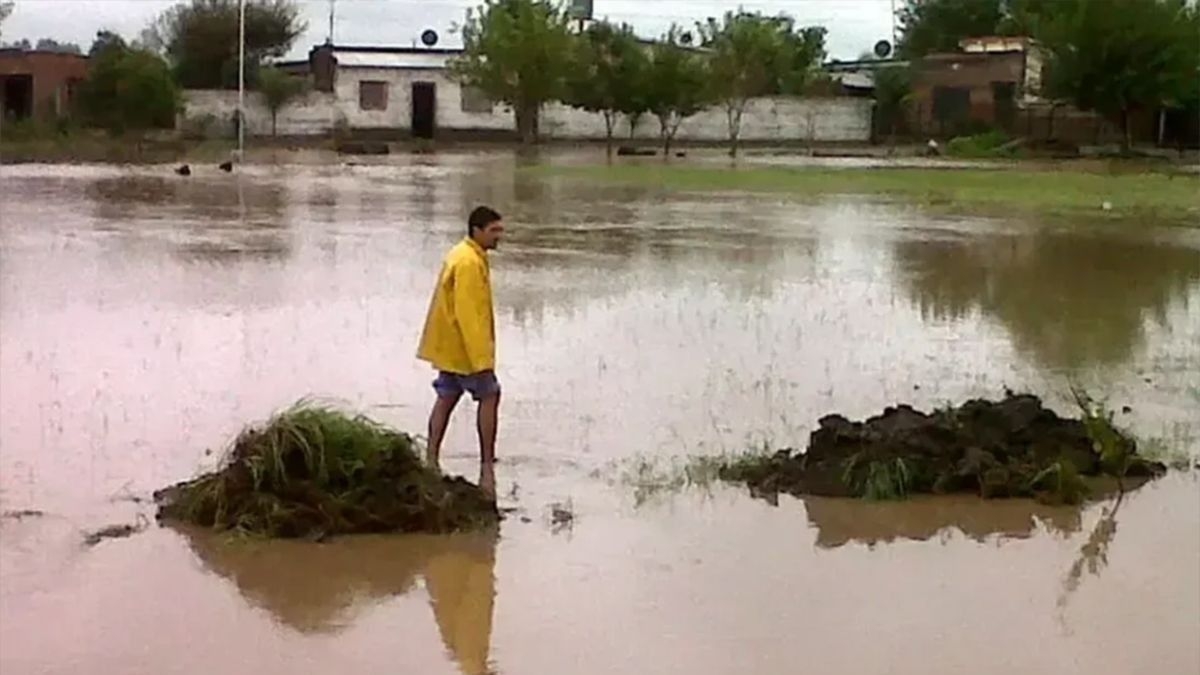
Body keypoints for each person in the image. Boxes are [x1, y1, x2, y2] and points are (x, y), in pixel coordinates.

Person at [417, 206, 505, 498]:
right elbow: (470, 314)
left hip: (450, 348)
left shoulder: (462, 254)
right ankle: (486, 464)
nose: (498, 236)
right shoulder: (469, 263)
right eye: (494, 231)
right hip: (466, 351)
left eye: (499, 230)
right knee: (490, 395)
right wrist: (482, 360)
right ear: (476, 231)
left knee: (446, 396)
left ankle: (431, 457)